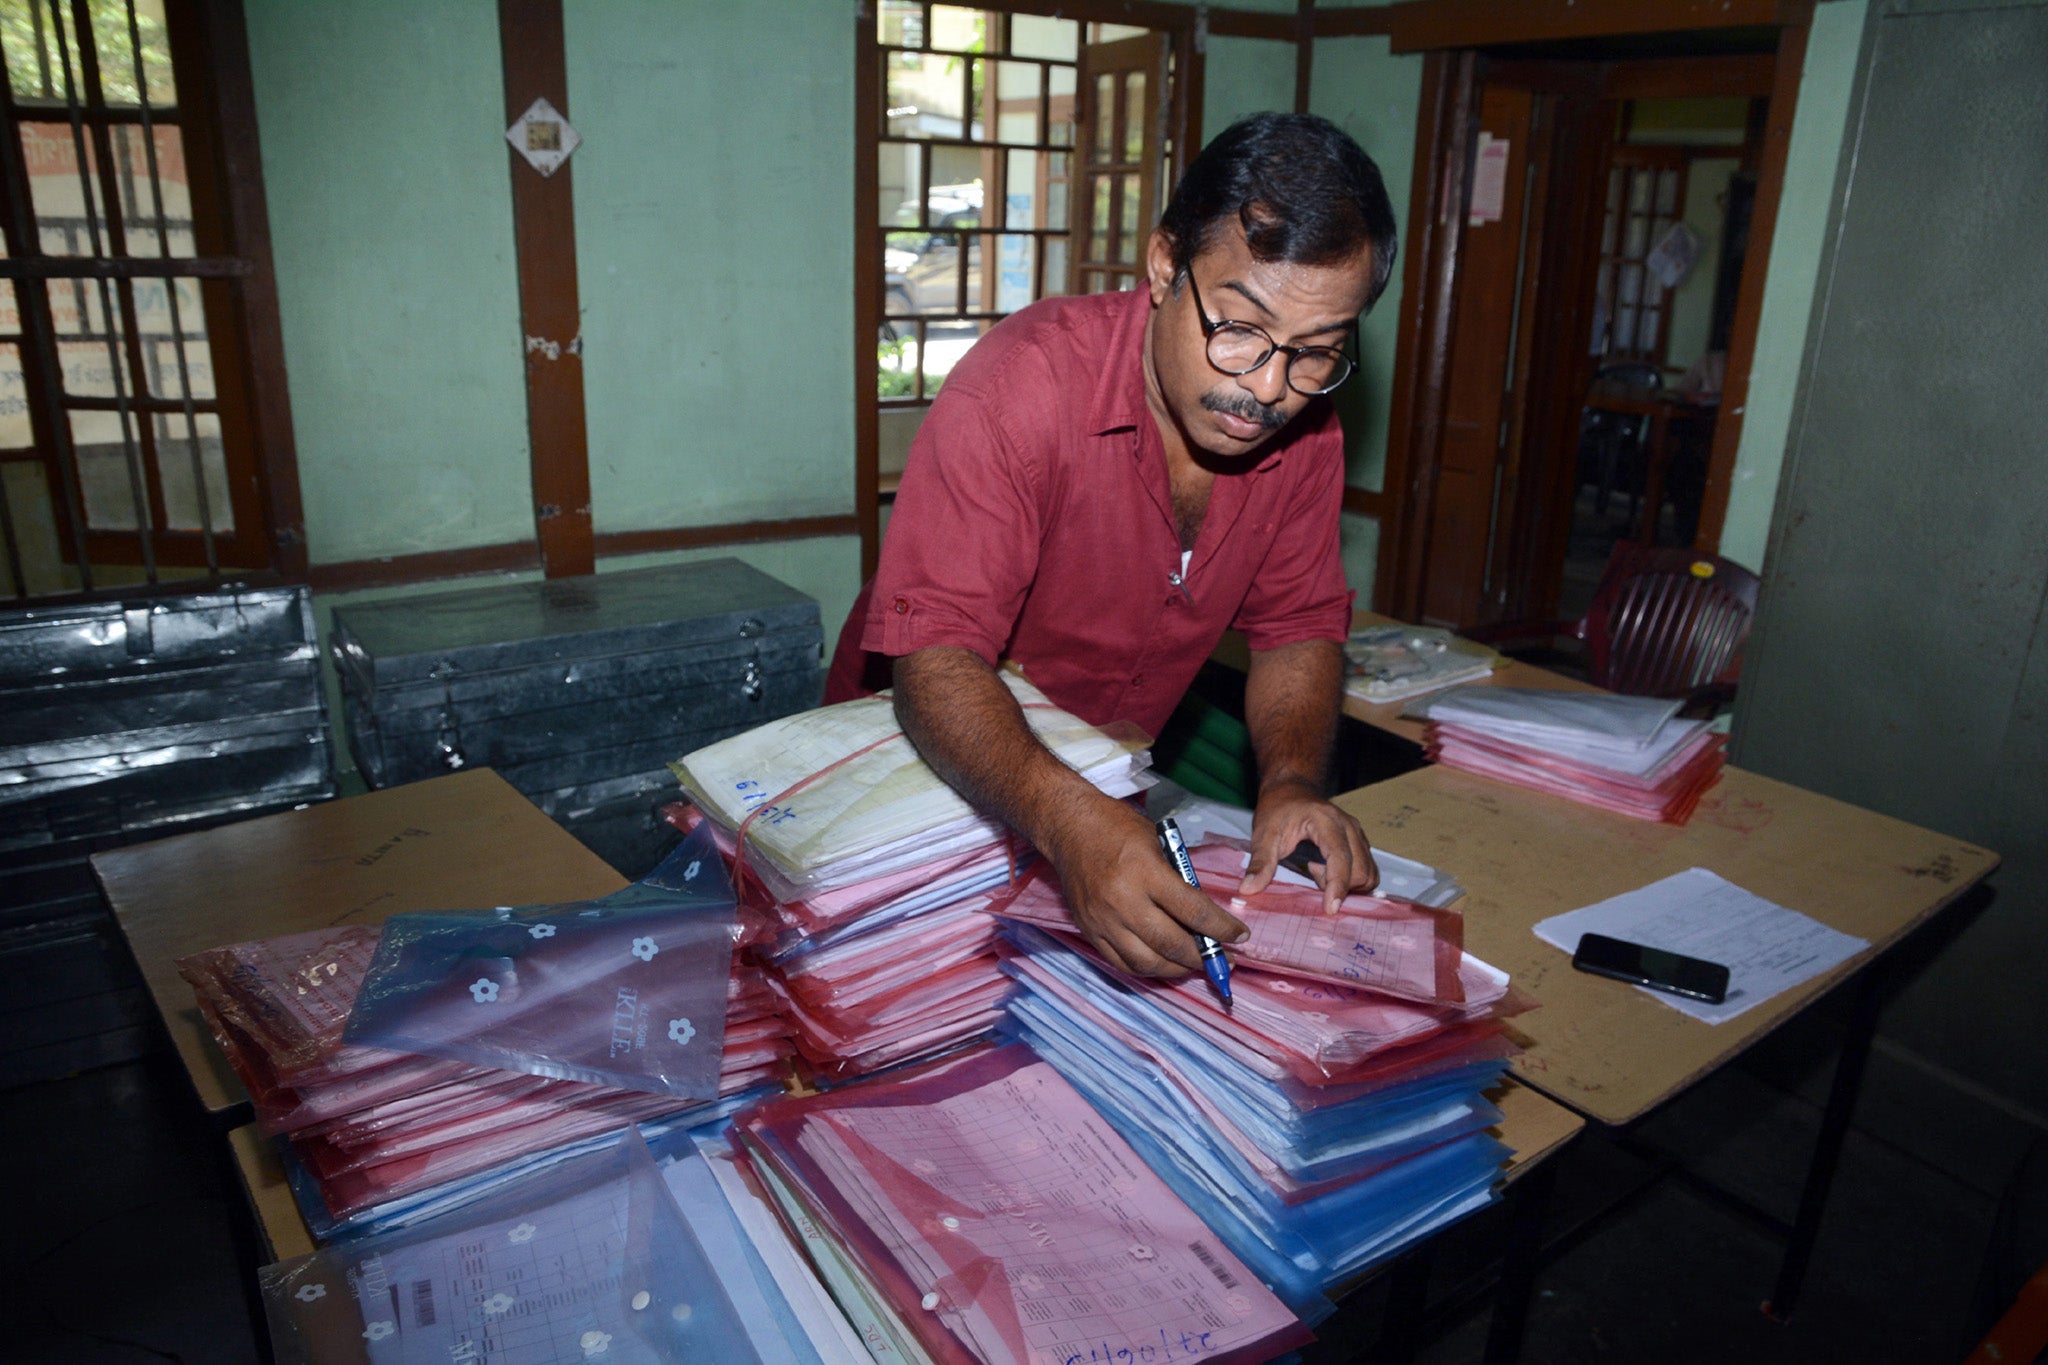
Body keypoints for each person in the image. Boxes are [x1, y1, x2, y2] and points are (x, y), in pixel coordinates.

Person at [825, 113, 1399, 981]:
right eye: (1237, 329)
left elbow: (1297, 626)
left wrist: (1288, 781)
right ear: (1166, 263)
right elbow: (936, 663)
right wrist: (1070, 820)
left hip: (1094, 792)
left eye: (1317, 353)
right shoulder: (1019, 389)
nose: (1269, 390)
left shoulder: (1303, 432)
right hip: (912, 784)